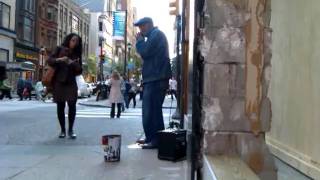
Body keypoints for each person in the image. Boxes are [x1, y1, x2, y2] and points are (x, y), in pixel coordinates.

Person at [134, 17, 172, 149]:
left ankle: (156, 140)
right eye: (139, 27)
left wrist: (139, 42)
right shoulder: (153, 36)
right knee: (149, 111)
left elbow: (145, 52)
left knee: (153, 111)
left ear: (149, 25)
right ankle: (151, 138)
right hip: (153, 78)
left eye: (142, 27)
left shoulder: (156, 35)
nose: (140, 30)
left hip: (157, 79)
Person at [47, 33, 83, 139]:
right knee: (60, 106)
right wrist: (60, 59)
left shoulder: (77, 54)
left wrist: (72, 62)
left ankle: (70, 130)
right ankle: (62, 130)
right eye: (73, 40)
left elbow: (80, 70)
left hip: (71, 82)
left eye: (77, 41)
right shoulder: (59, 49)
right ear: (68, 40)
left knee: (72, 104)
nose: (74, 43)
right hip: (59, 81)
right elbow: (50, 60)